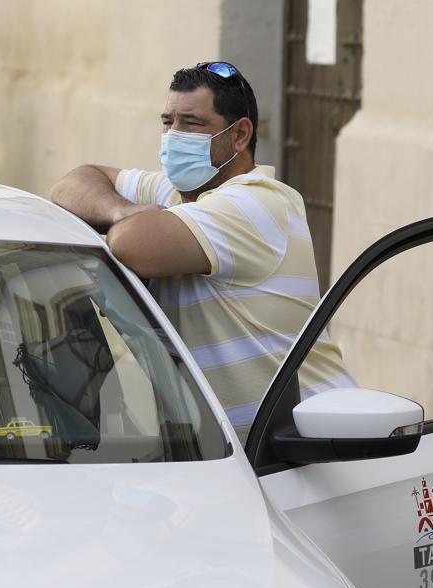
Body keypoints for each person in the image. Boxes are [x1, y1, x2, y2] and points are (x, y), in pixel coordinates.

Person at [49, 61, 353, 439]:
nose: (173, 136)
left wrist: (125, 222)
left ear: (239, 135)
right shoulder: (177, 195)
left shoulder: (258, 203)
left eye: (191, 124)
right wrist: (121, 210)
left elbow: (131, 244)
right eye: (167, 122)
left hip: (312, 448)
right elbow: (73, 183)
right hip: (232, 458)